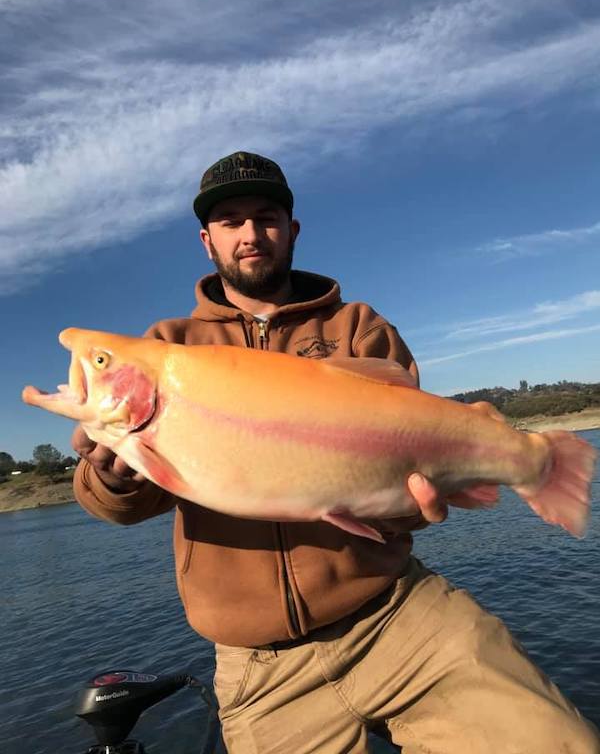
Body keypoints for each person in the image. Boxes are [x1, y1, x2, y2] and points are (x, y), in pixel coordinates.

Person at [72, 151, 600, 754]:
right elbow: (120, 507)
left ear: (291, 229)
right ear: (206, 240)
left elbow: (408, 478)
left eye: (266, 216)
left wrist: (415, 503)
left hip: (397, 610)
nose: (250, 234)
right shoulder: (168, 347)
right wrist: (111, 472)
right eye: (230, 220)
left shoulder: (359, 327)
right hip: (259, 668)